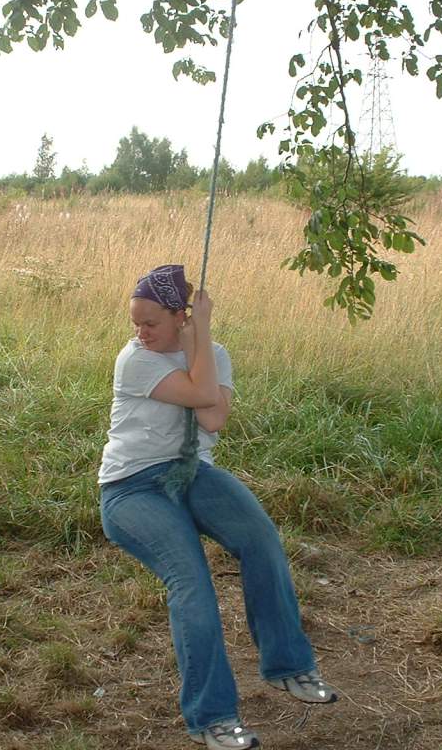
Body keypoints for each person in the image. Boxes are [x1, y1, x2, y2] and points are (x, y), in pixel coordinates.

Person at [98, 264, 337, 750]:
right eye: (135, 323)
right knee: (193, 582)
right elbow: (203, 394)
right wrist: (198, 336)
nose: (139, 333)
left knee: (262, 540)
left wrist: (198, 343)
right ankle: (212, 717)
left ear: (180, 316)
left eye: (150, 324)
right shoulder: (135, 361)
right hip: (131, 488)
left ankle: (289, 667)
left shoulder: (214, 355)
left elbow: (214, 418)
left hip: (192, 473)